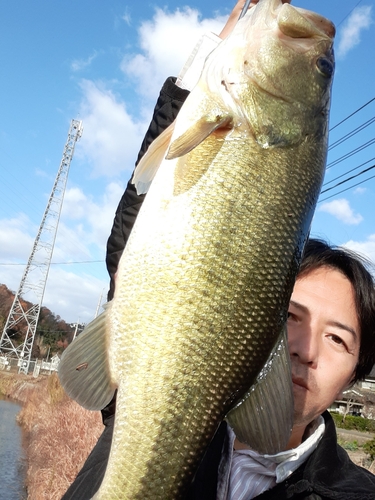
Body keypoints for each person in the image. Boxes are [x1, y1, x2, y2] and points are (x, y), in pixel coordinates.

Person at [62, 1, 375, 498]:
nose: (305, 350)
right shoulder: (160, 402)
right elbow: (138, 223)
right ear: (263, 326)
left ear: (359, 371)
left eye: (338, 339)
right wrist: (212, 56)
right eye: (290, 316)